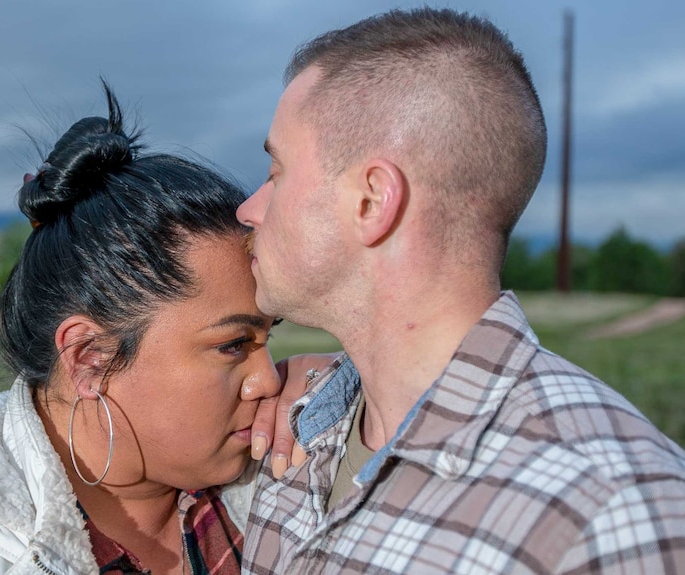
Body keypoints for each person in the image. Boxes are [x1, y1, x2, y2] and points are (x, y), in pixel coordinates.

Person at [237, 7, 685, 573]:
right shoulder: (295, 428)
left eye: (276, 173)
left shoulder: (616, 517)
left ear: (372, 202)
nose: (248, 209)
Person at [0, 83, 329, 575]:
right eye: (234, 344)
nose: (267, 380)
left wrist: (349, 390)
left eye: (268, 337)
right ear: (89, 358)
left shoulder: (293, 472)